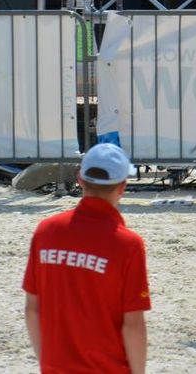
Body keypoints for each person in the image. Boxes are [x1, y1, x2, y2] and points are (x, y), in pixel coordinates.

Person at [23, 143, 150, 374]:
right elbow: (132, 324)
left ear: (80, 179)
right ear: (122, 187)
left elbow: (32, 310)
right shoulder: (127, 244)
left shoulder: (46, 231)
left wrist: (48, 364)